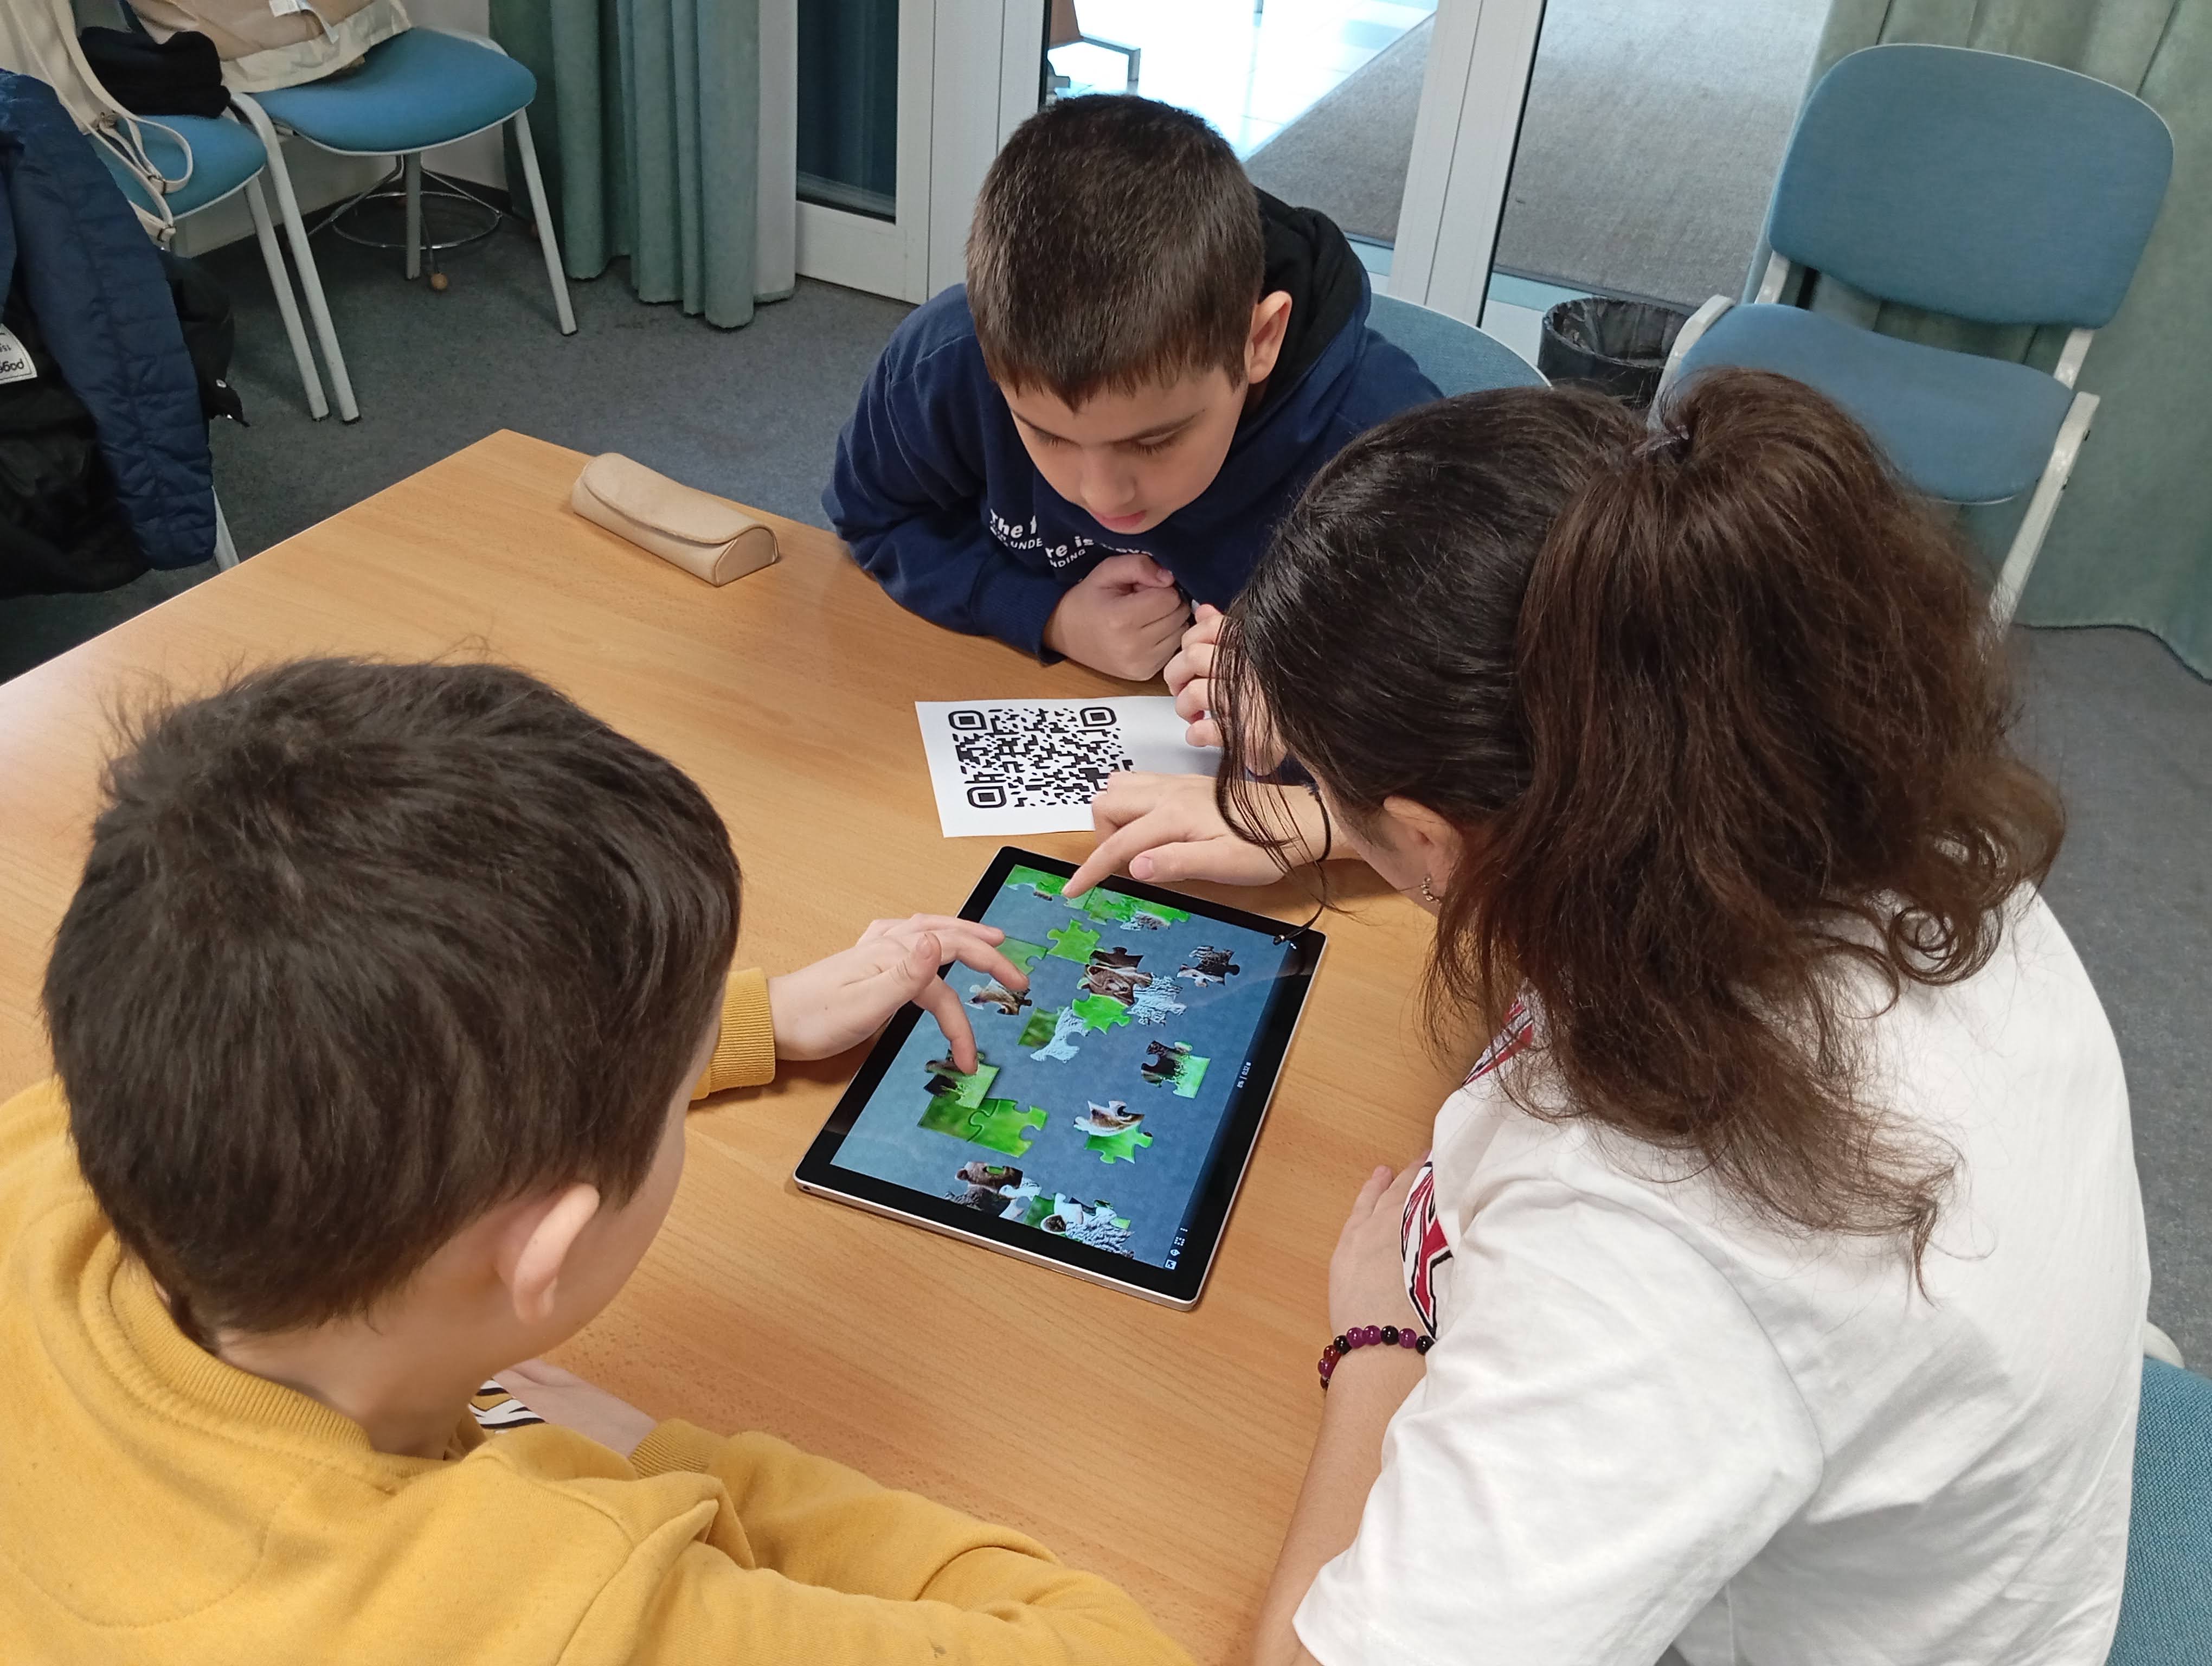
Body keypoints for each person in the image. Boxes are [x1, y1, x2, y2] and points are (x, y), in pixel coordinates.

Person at [1154, 376, 2145, 1665]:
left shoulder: (1648, 1242)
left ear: (1433, 840)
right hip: (1952, 1510)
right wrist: (1344, 825)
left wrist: (1378, 1345)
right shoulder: (1871, 811)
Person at [0, 658, 1191, 1666]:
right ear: (547, 1257)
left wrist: (751, 1019)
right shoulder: (569, 1608)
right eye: (673, 1098)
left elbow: (329, 1046)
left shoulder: (55, 1150)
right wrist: (647, 1458)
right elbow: (1112, 1647)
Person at [823, 94, 1438, 681]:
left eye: (1153, 442)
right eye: (1046, 434)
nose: (1102, 494)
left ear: (1260, 341)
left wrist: (1299, 706)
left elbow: (1462, 695)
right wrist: (1049, 616)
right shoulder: (951, 360)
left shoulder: (1394, 457)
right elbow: (873, 518)